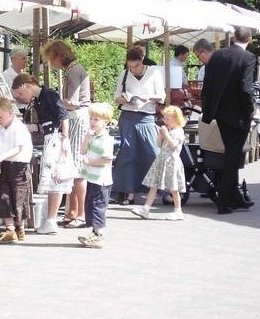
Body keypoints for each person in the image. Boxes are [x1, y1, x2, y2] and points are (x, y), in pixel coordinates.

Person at [201, 26, 256, 215]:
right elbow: (245, 88)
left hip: (220, 114)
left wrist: (208, 110)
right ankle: (223, 201)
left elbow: (207, 85)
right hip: (238, 115)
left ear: (234, 37)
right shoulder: (248, 58)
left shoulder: (217, 56)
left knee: (231, 155)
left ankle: (235, 198)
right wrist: (251, 111)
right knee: (233, 158)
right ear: (249, 39)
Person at [12, 73, 71, 234]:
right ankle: (50, 218)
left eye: (20, 93)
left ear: (26, 85)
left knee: (56, 179)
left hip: (56, 138)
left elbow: (63, 116)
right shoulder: (38, 100)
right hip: (49, 137)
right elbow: (44, 122)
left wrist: (65, 138)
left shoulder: (50, 95)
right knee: (52, 180)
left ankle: (51, 219)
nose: (21, 97)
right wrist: (32, 127)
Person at [42, 40, 91, 228]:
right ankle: (73, 210)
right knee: (72, 167)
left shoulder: (74, 71)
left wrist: (55, 100)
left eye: (51, 59)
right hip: (78, 117)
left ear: (58, 56)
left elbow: (72, 102)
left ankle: (81, 213)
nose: (52, 64)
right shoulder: (75, 70)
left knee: (77, 167)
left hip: (77, 118)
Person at [112, 47, 166, 205]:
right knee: (128, 155)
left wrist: (148, 97)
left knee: (152, 153)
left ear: (142, 60)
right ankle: (129, 192)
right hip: (128, 116)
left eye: (135, 66)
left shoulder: (154, 72)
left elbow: (162, 97)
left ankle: (161, 189)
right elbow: (116, 97)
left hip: (146, 117)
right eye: (130, 66)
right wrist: (126, 98)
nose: (133, 70)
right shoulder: (124, 74)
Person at [0, 97, 33, 244]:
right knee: (4, 195)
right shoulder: (0, 129)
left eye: (0, 117)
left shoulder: (19, 127)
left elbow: (18, 148)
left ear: (10, 112)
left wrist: (1, 157)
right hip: (6, 165)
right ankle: (10, 229)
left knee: (19, 197)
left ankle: (20, 227)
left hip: (19, 166)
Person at [132, 105, 187, 221]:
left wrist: (166, 135)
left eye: (168, 119)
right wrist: (160, 135)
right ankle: (146, 208)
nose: (165, 121)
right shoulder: (169, 130)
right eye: (165, 118)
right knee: (154, 185)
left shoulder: (179, 131)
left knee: (173, 187)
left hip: (171, 161)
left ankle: (178, 211)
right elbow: (159, 145)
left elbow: (173, 145)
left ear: (176, 119)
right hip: (162, 159)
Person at [76, 103, 114, 249]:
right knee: (91, 205)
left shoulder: (105, 139)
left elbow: (106, 160)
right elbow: (82, 150)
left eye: (96, 119)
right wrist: (86, 137)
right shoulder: (93, 136)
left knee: (98, 207)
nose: (92, 122)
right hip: (91, 178)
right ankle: (94, 233)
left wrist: (90, 162)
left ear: (105, 122)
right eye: (91, 119)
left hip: (101, 180)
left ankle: (99, 235)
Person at [2, 47, 29, 112]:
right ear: (14, 59)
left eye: (26, 58)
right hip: (13, 110)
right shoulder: (5, 75)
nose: (25, 61)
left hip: (25, 109)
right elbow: (10, 94)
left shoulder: (25, 75)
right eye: (23, 58)